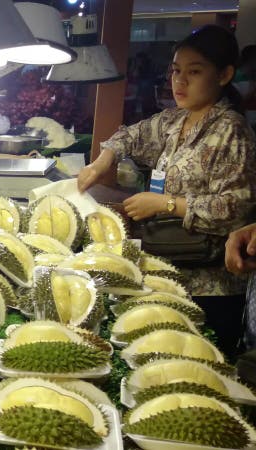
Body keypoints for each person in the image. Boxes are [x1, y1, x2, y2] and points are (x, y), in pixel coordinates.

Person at [78, 25, 256, 357]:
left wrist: (166, 203)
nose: (180, 81)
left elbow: (237, 208)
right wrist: (103, 161)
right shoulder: (175, 121)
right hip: (169, 276)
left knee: (199, 375)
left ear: (224, 75)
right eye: (175, 71)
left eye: (194, 72)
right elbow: (128, 135)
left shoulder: (231, 131)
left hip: (210, 289)